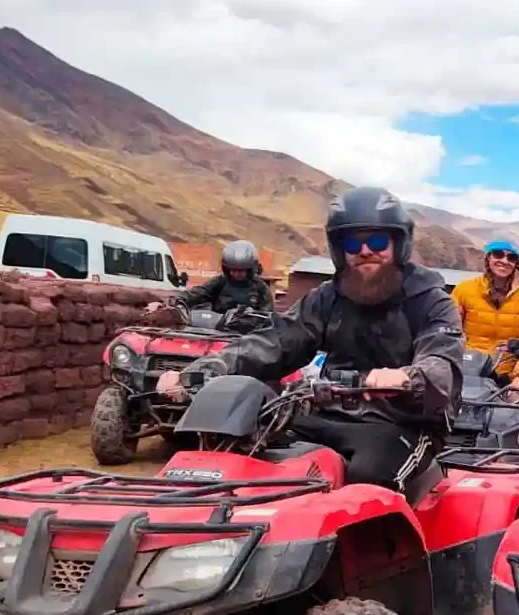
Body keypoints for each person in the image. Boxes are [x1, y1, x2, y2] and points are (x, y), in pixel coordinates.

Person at [157, 186, 466, 496]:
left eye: (376, 241)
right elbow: (276, 342)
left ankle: (371, 544)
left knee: (367, 483)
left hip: (404, 423)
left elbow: (441, 365)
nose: (365, 251)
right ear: (338, 249)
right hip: (327, 413)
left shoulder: (431, 302)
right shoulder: (327, 298)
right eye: (352, 242)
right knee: (246, 447)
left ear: (398, 244)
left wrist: (407, 377)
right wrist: (206, 369)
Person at [449, 239, 519, 390]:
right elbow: (449, 333)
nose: (504, 261)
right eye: (498, 254)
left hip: (505, 375)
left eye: (511, 257)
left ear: (517, 264)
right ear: (488, 258)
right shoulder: (464, 290)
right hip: (466, 370)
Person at [148, 240, 273, 314]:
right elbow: (197, 293)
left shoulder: (261, 288)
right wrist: (170, 302)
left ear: (250, 269)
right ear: (226, 268)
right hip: (218, 333)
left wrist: (255, 316)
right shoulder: (220, 282)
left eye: (242, 270)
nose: (237, 274)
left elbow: (269, 317)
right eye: (233, 270)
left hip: (247, 338)